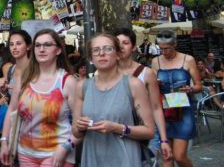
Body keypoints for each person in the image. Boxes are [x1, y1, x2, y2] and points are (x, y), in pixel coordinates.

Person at [72, 33, 154, 167]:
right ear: (91, 58)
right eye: (96, 50)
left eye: (108, 49)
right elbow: (75, 132)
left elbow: (149, 131)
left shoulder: (133, 85)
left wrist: (118, 128)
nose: (101, 53)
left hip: (125, 159)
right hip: (92, 158)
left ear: (117, 54)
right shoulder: (82, 86)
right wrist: (80, 127)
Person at [0, 29, 78, 167]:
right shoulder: (23, 78)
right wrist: (4, 141)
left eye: (47, 45)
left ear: (58, 50)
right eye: (38, 45)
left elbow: (80, 124)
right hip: (25, 152)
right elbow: (12, 109)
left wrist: (66, 147)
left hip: (57, 153)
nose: (41, 49)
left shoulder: (67, 81)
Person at [115, 28, 173, 162]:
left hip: (141, 132)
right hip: (114, 132)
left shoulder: (146, 73)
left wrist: (164, 140)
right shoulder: (105, 73)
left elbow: (156, 107)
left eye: (125, 43)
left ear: (134, 47)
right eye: (118, 43)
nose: (121, 46)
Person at [151, 31, 201, 167]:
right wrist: (155, 83)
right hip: (164, 110)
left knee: (179, 156)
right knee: (167, 157)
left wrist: (190, 89)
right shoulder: (156, 61)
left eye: (167, 48)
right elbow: (151, 84)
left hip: (183, 110)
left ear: (175, 45)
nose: (164, 52)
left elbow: (198, 86)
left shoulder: (188, 59)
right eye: (161, 49)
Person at [0, 30, 32, 100]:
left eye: (18, 43)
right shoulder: (11, 70)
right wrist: (3, 91)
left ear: (28, 46)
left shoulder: (36, 69)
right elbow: (9, 98)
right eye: (11, 44)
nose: (14, 47)